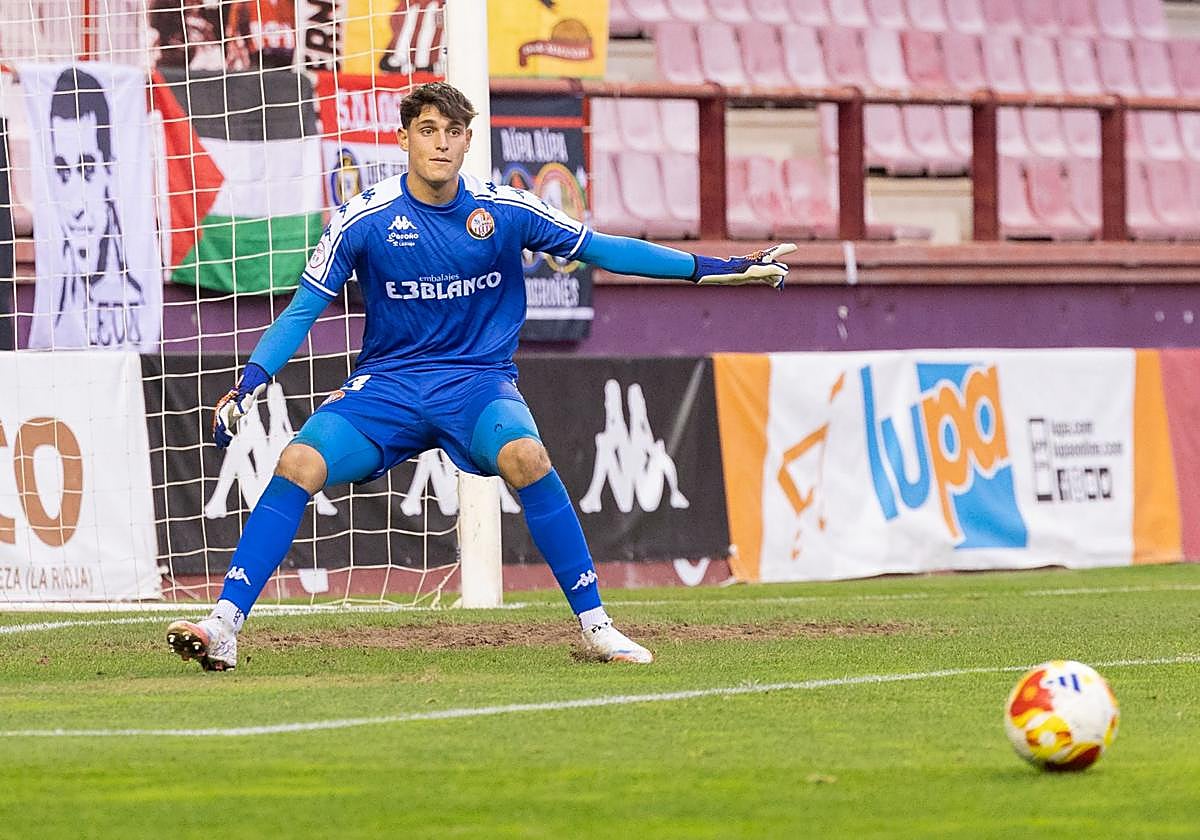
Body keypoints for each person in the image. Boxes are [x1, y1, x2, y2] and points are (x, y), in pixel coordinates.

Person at [166, 81, 794, 671]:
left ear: (470, 141)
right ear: (404, 139)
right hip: (390, 385)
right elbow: (304, 306)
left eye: (454, 131)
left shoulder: (506, 210)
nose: (441, 142)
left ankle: (596, 626)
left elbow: (604, 249)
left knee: (527, 457)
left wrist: (712, 268)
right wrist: (248, 382)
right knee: (299, 462)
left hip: (477, 384)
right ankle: (225, 626)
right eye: (428, 129)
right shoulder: (364, 217)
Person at [46, 67, 147, 348]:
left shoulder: (132, 290)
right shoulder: (54, 294)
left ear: (109, 169)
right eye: (63, 172)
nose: (76, 206)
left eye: (87, 168)